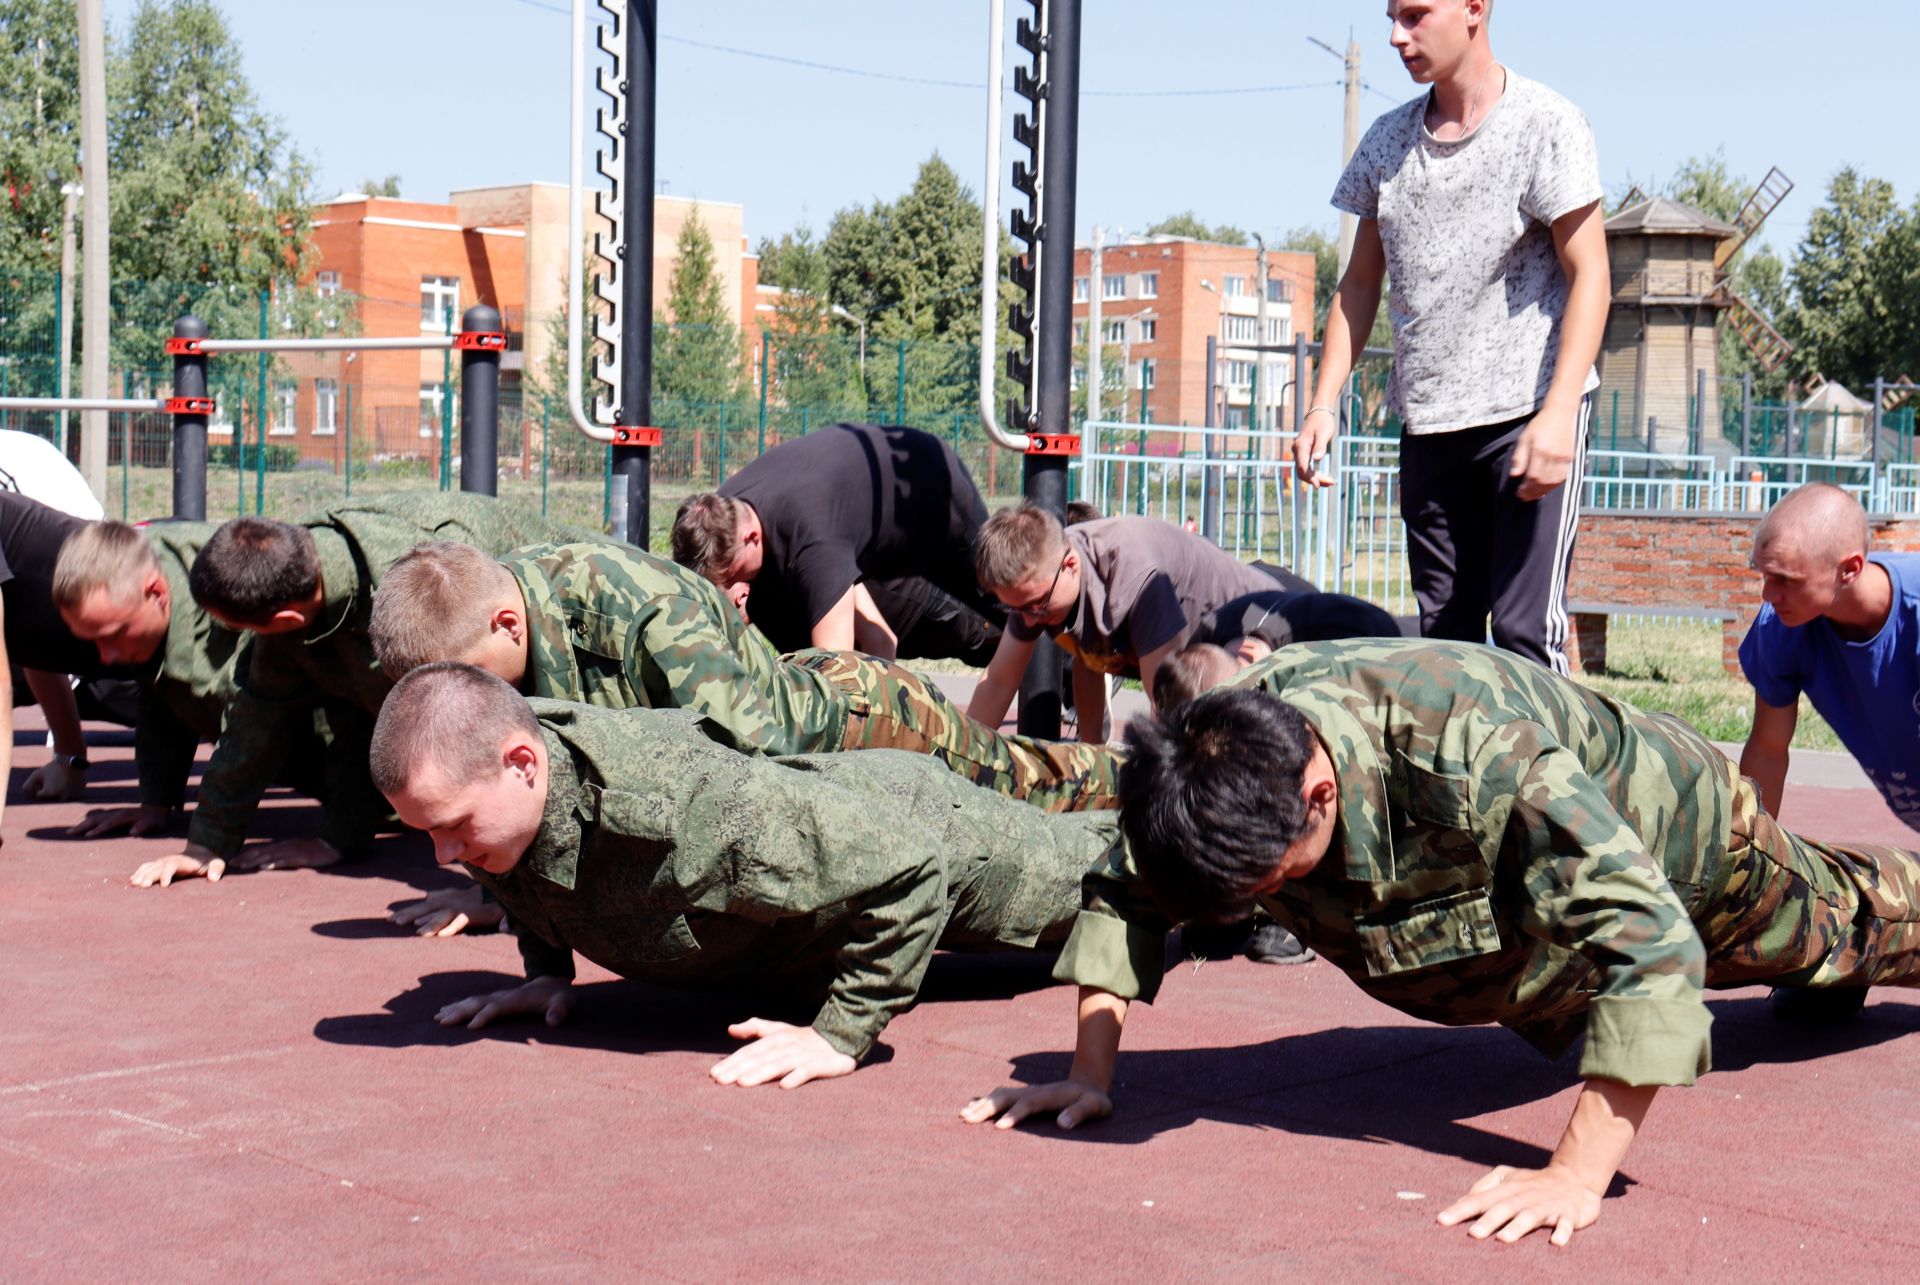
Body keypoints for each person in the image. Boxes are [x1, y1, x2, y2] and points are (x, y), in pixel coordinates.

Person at [962, 638, 1920, 1246]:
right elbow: (1128, 886)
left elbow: (1654, 943)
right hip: (1526, 923)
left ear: (1319, 797)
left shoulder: (1471, 756)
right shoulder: (1208, 769)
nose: (1251, 907)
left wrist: (1575, 1176)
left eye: (1267, 885)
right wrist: (1092, 1072)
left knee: (1849, 928)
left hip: (1684, 842)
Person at [368, 662, 1120, 1088]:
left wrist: (840, 1034)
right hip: (813, 854)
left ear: (524, 764)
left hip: (920, 829)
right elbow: (534, 862)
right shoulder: (499, 789)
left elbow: (911, 865)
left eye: (453, 827)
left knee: (1140, 874)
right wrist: (547, 970)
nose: (443, 857)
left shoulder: (688, 810)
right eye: (425, 831)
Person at [370, 539, 1122, 935]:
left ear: (507, 623)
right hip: (804, 717)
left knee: (1036, 787)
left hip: (865, 722)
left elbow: (755, 770)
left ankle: (1151, 771)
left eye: (470, 676)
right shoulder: (493, 618)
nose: (466, 701)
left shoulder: (636, 612)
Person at [1291, 0, 1609, 675]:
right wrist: (1323, 402)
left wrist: (1557, 417)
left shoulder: (1546, 123)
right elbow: (1357, 286)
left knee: (1527, 637)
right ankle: (1462, 784)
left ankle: (1547, 782)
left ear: (1474, 8)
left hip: (1527, 417)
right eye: (1391, 17)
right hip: (1430, 422)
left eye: (1414, 15)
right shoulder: (1386, 143)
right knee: (1446, 645)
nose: (1395, 35)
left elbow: (1593, 277)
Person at [92, 494, 579, 889]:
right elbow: (254, 720)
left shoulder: (426, 587)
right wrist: (208, 844)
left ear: (282, 623)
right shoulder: (300, 571)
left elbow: (504, 718)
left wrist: (502, 899)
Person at [966, 505, 1312, 744]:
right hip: (1206, 655)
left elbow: (1166, 703)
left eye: (1035, 606)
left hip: (1279, 628)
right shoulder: (1042, 581)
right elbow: (1000, 681)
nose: (1028, 621)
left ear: (1070, 564)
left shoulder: (1136, 577)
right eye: (1015, 609)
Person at [670, 423, 1002, 663]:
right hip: (855, 536)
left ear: (751, 537)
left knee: (1005, 609)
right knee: (775, 610)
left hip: (930, 499)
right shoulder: (723, 514)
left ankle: (1045, 678)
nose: (731, 593)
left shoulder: (813, 540)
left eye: (730, 578)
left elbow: (838, 671)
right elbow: (880, 642)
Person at [1738, 483, 1920, 831]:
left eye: (1785, 579)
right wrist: (1746, 862)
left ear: (1849, 569)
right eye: (1763, 573)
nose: (1768, 593)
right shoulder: (1781, 628)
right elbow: (1768, 750)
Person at [1, 492, 117, 839]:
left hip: (135, 642)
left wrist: (70, 754)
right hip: (79, 651)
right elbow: (24, 638)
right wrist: (69, 756)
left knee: (271, 744)